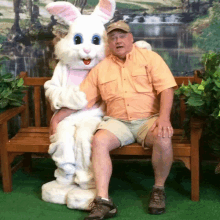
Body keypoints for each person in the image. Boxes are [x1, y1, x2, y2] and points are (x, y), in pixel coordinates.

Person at [50, 20, 177, 219]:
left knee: (163, 137)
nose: (118, 41)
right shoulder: (101, 68)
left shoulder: (150, 58)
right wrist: (57, 118)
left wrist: (164, 118)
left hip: (148, 120)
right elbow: (83, 98)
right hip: (118, 122)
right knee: (99, 140)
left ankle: (158, 190)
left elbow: (167, 89)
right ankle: (103, 201)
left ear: (131, 38)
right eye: (113, 38)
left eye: (122, 36)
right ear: (109, 43)